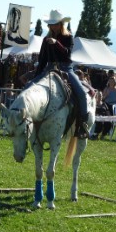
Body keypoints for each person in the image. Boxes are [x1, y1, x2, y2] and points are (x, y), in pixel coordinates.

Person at [29, 9, 90, 139]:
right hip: (49, 68)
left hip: (66, 68)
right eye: (50, 24)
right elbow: (42, 59)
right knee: (28, 86)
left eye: (54, 23)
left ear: (61, 24)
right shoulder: (46, 39)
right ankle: (22, 120)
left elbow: (67, 53)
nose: (52, 26)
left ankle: (83, 124)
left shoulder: (68, 37)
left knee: (81, 93)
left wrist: (57, 43)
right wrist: (35, 77)